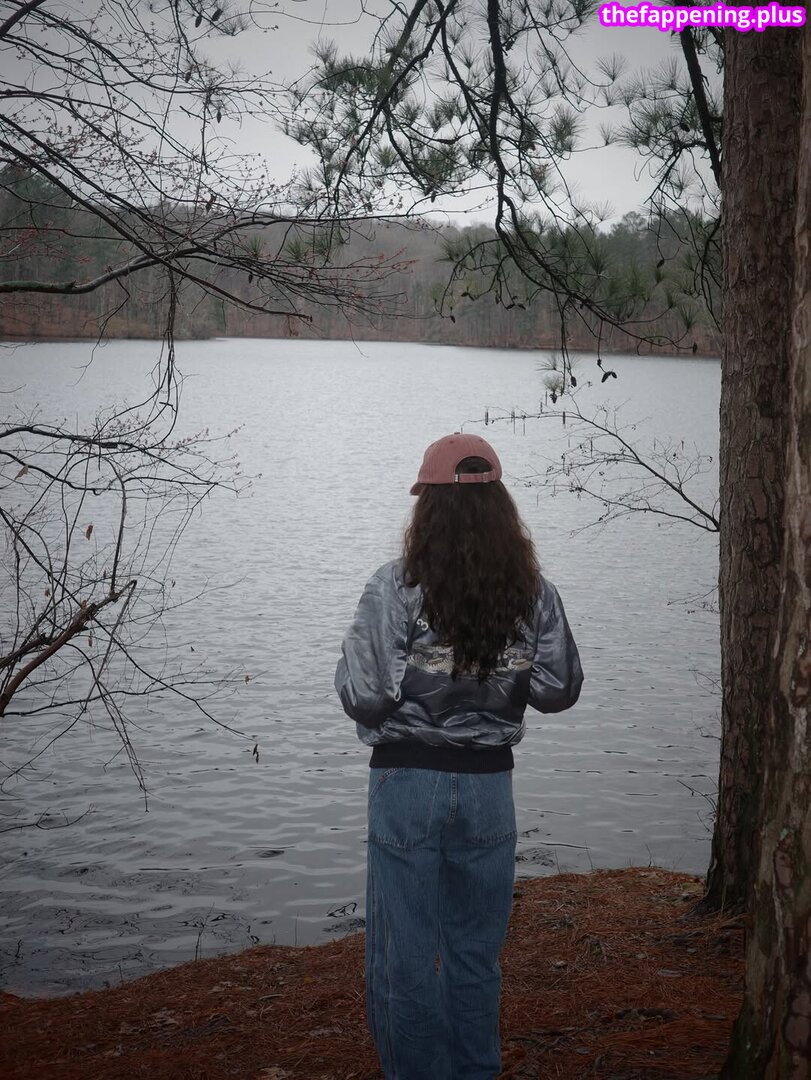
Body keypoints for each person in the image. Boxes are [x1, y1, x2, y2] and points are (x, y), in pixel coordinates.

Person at [335, 432, 583, 1080]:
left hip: (406, 785)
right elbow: (558, 690)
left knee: (405, 958)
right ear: (501, 509)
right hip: (487, 790)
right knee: (475, 957)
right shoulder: (532, 593)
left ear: (427, 508)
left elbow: (366, 697)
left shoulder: (395, 588)